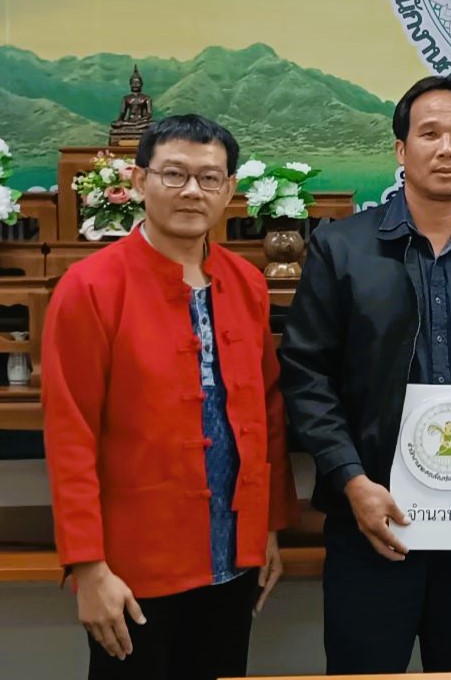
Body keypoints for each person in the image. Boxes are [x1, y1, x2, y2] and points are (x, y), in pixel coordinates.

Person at [278, 75, 451, 674]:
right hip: (372, 518)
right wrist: (352, 481)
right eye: (429, 134)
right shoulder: (342, 248)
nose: (447, 148)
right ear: (401, 149)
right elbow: (306, 373)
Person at [42, 114, 298, 680]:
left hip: (235, 558)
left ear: (229, 190)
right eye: (174, 174)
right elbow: (69, 435)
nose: (191, 191)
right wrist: (87, 568)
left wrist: (268, 528)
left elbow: (267, 412)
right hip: (135, 569)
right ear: (139, 181)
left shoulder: (247, 282)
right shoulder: (90, 287)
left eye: (209, 178)